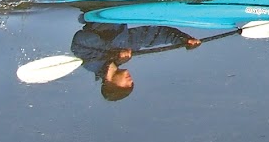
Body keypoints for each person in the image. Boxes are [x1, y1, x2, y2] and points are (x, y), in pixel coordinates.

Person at [70, 20, 203, 101]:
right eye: (131, 84)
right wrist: (183, 39)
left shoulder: (91, 63)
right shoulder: (126, 50)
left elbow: (79, 40)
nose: (131, 81)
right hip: (118, 5)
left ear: (110, 84)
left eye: (126, 86)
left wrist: (111, 53)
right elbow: (157, 35)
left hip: (96, 8)